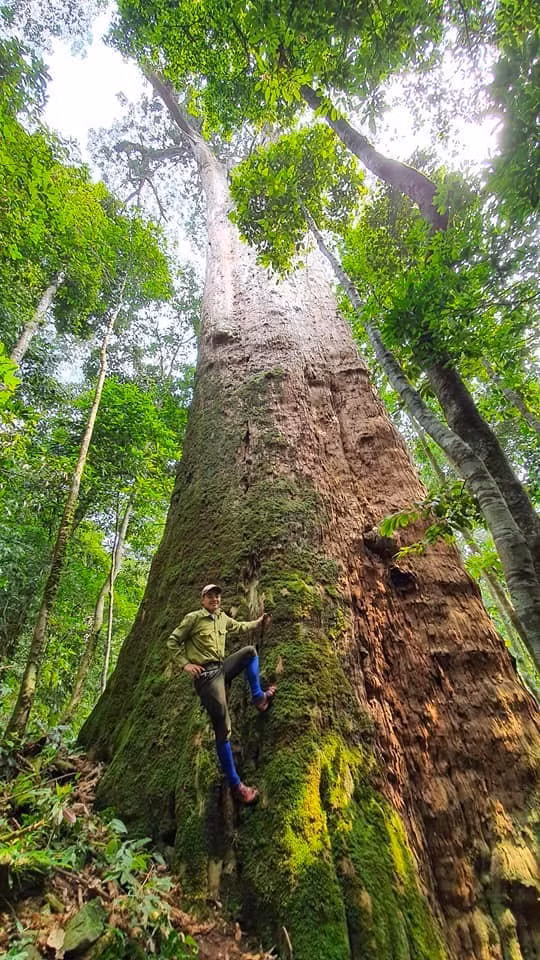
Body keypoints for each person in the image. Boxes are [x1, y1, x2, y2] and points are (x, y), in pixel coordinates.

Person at [167, 583, 276, 804]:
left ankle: (258, 698)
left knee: (250, 653)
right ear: (202, 599)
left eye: (217, 596)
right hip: (206, 678)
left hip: (221, 668)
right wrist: (185, 665)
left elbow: (240, 627)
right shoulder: (193, 618)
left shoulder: (222, 618)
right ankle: (237, 786)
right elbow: (172, 641)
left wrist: (259, 621)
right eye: (210, 596)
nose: (214, 599)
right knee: (223, 727)